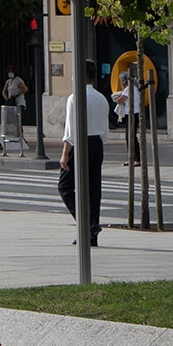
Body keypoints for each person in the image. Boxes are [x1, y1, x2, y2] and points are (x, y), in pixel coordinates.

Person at [60, 60, 110, 246]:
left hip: (81, 144)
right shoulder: (101, 98)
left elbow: (71, 130)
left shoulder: (75, 97)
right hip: (97, 144)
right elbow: (105, 130)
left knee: (65, 186)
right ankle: (92, 233)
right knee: (94, 190)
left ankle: (87, 225)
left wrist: (65, 153)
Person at [112, 73, 144, 166]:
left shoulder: (128, 89)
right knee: (130, 136)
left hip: (131, 114)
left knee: (131, 136)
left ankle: (136, 159)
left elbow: (119, 100)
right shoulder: (133, 89)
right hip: (132, 113)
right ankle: (132, 158)